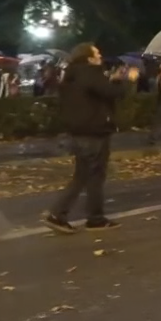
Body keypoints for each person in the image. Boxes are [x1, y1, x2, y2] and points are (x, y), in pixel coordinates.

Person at [41, 43, 139, 234]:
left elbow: (98, 92)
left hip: (78, 131)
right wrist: (128, 80)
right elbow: (113, 93)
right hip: (94, 131)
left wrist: (113, 79)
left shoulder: (72, 74)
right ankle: (58, 213)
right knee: (88, 175)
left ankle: (95, 217)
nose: (100, 55)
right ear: (88, 58)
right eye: (97, 53)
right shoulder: (90, 73)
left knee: (89, 175)